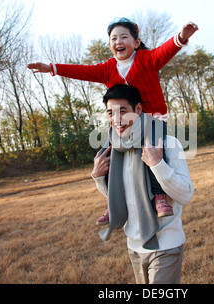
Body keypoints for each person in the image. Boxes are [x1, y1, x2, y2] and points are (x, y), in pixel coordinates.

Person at [28, 17, 198, 224]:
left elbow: (164, 51)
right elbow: (83, 71)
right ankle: (114, 202)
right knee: (106, 155)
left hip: (152, 119)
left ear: (135, 42)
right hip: (123, 124)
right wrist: (52, 68)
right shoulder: (107, 68)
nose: (118, 41)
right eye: (113, 38)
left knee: (153, 153)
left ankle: (159, 197)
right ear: (110, 44)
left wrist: (181, 37)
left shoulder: (146, 59)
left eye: (124, 37)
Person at [92, 84, 194, 284]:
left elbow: (186, 195)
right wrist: (98, 176)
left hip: (165, 245)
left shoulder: (167, 143)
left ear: (138, 110)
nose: (117, 120)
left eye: (123, 111)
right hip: (134, 248)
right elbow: (120, 197)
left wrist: (157, 164)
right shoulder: (115, 151)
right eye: (110, 113)